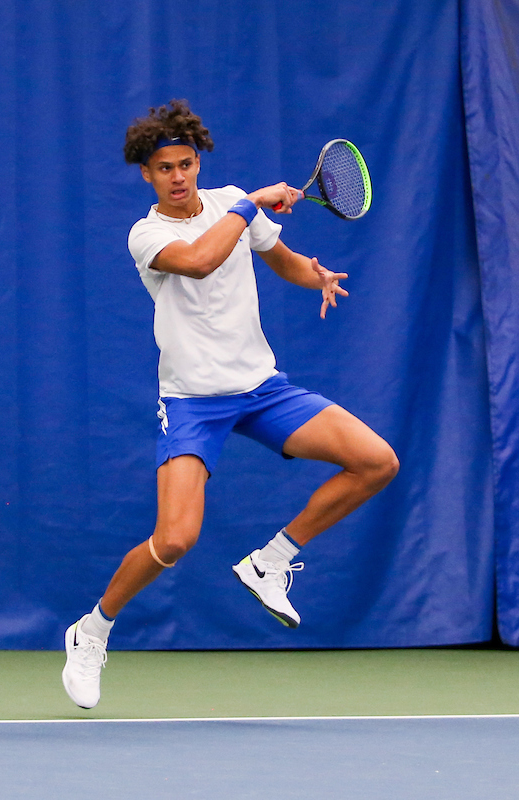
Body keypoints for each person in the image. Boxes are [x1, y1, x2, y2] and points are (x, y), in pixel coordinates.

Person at [61, 100, 398, 709]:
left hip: (263, 389)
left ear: (198, 161)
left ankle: (272, 561)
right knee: (175, 539)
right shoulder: (148, 234)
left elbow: (280, 258)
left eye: (186, 163)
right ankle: (93, 630)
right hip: (193, 401)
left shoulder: (232, 201)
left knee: (376, 461)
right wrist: (248, 205)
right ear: (147, 175)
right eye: (165, 168)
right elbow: (199, 260)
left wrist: (313, 275)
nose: (179, 176)